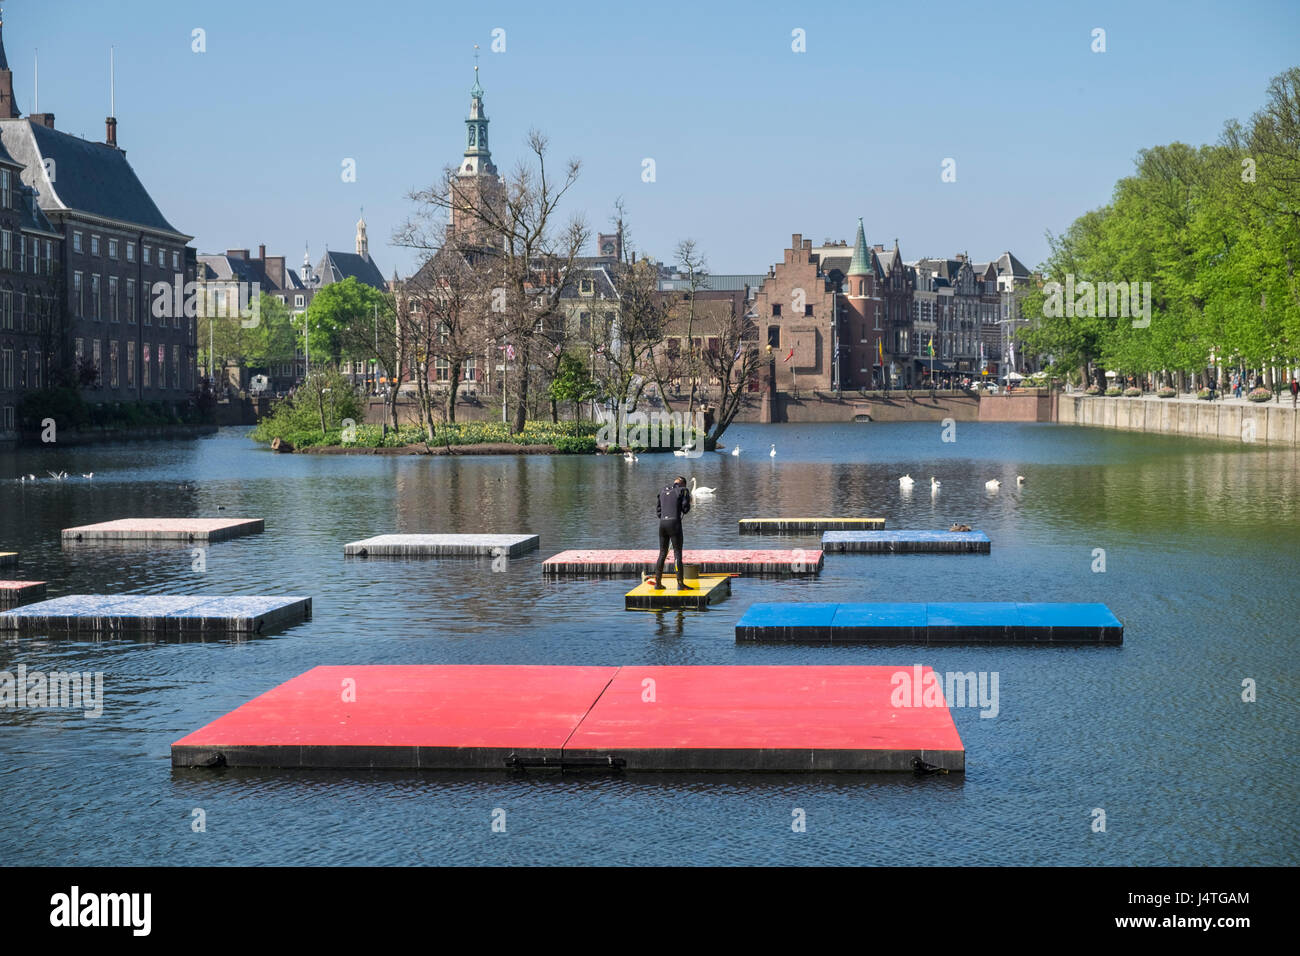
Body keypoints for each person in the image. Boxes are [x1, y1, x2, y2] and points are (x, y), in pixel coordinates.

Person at [651, 475, 692, 590]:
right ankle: (680, 584)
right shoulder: (683, 490)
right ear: (683, 484)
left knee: (662, 553)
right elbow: (685, 509)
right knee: (677, 553)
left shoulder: (663, 491)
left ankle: (658, 584)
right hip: (675, 524)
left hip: (662, 524)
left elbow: (658, 512)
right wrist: (688, 502)